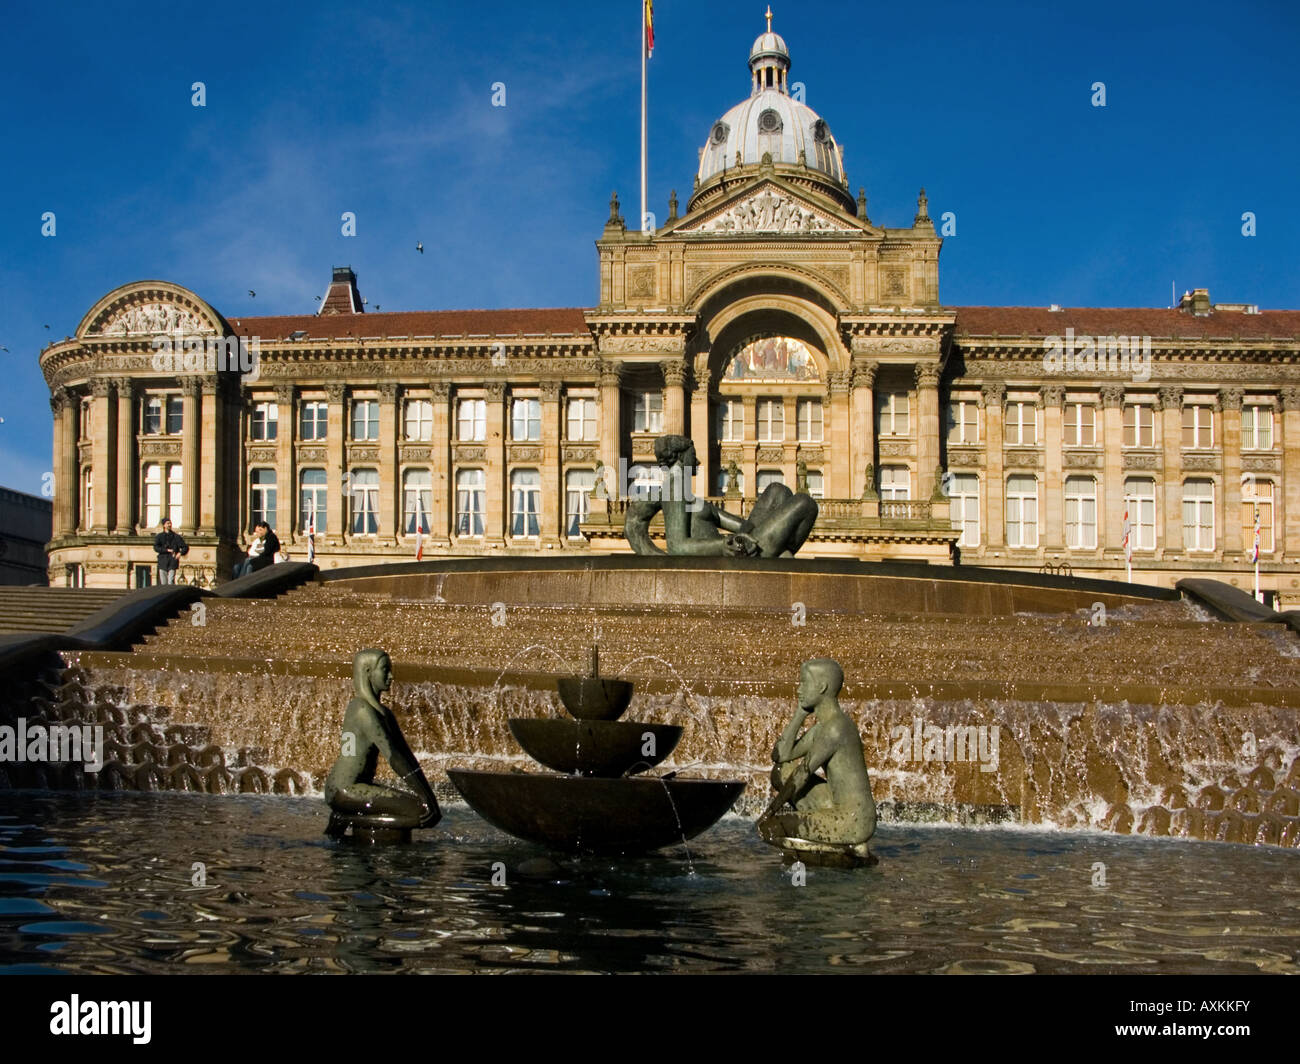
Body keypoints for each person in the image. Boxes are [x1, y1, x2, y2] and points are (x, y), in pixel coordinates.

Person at [624, 434, 817, 558]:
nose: (697, 461)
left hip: (742, 544)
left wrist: (748, 531)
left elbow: (739, 525)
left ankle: (781, 554)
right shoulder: (673, 490)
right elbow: (677, 547)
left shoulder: (683, 491)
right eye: (693, 455)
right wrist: (725, 545)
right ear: (681, 457)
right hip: (739, 554)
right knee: (805, 503)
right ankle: (782, 558)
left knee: (778, 490)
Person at [760, 658, 876, 846]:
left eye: (804, 683)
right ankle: (828, 845)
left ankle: (841, 853)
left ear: (821, 687)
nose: (799, 689)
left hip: (855, 820)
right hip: (836, 806)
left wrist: (768, 813)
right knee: (781, 772)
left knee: (771, 828)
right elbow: (780, 756)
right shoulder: (820, 728)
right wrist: (800, 713)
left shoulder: (835, 728)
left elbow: (802, 775)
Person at [324, 649, 441, 835]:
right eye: (385, 670)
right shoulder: (361, 709)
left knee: (427, 809)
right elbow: (393, 757)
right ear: (368, 672)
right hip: (343, 790)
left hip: (360, 787)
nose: (391, 676)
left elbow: (407, 757)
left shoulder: (385, 714)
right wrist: (425, 799)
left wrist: (428, 796)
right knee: (421, 812)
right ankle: (347, 818)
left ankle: (348, 819)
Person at [153, 518, 188, 584]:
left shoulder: (176, 536)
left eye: (170, 523)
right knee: (163, 583)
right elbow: (156, 547)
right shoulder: (159, 536)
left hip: (172, 560)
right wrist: (166, 550)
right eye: (167, 523)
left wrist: (180, 553)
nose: (169, 525)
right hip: (163, 561)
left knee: (170, 581)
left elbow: (185, 547)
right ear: (164, 525)